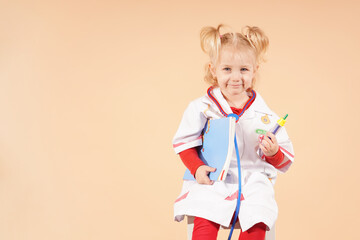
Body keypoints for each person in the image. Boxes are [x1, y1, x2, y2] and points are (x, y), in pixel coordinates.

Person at [172, 24, 295, 240]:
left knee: (257, 216)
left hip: (253, 180)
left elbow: (284, 161)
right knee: (205, 213)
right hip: (213, 177)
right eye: (227, 69)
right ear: (213, 69)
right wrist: (197, 168)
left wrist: (273, 151)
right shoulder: (202, 107)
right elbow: (184, 144)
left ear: (255, 70)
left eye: (244, 70)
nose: (236, 77)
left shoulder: (265, 115)